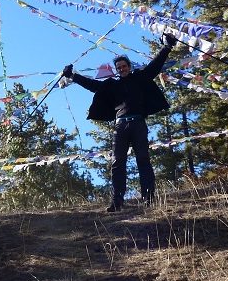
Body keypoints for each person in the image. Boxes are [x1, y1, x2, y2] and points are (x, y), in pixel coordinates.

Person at [63, 32, 177, 211]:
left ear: (129, 67)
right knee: (117, 163)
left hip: (138, 124)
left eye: (124, 66)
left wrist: (167, 47)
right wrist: (72, 76)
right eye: (119, 67)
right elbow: (93, 85)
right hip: (120, 126)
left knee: (143, 160)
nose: (122, 69)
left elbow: (154, 66)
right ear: (116, 70)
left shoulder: (140, 78)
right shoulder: (111, 85)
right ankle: (117, 202)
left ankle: (148, 198)